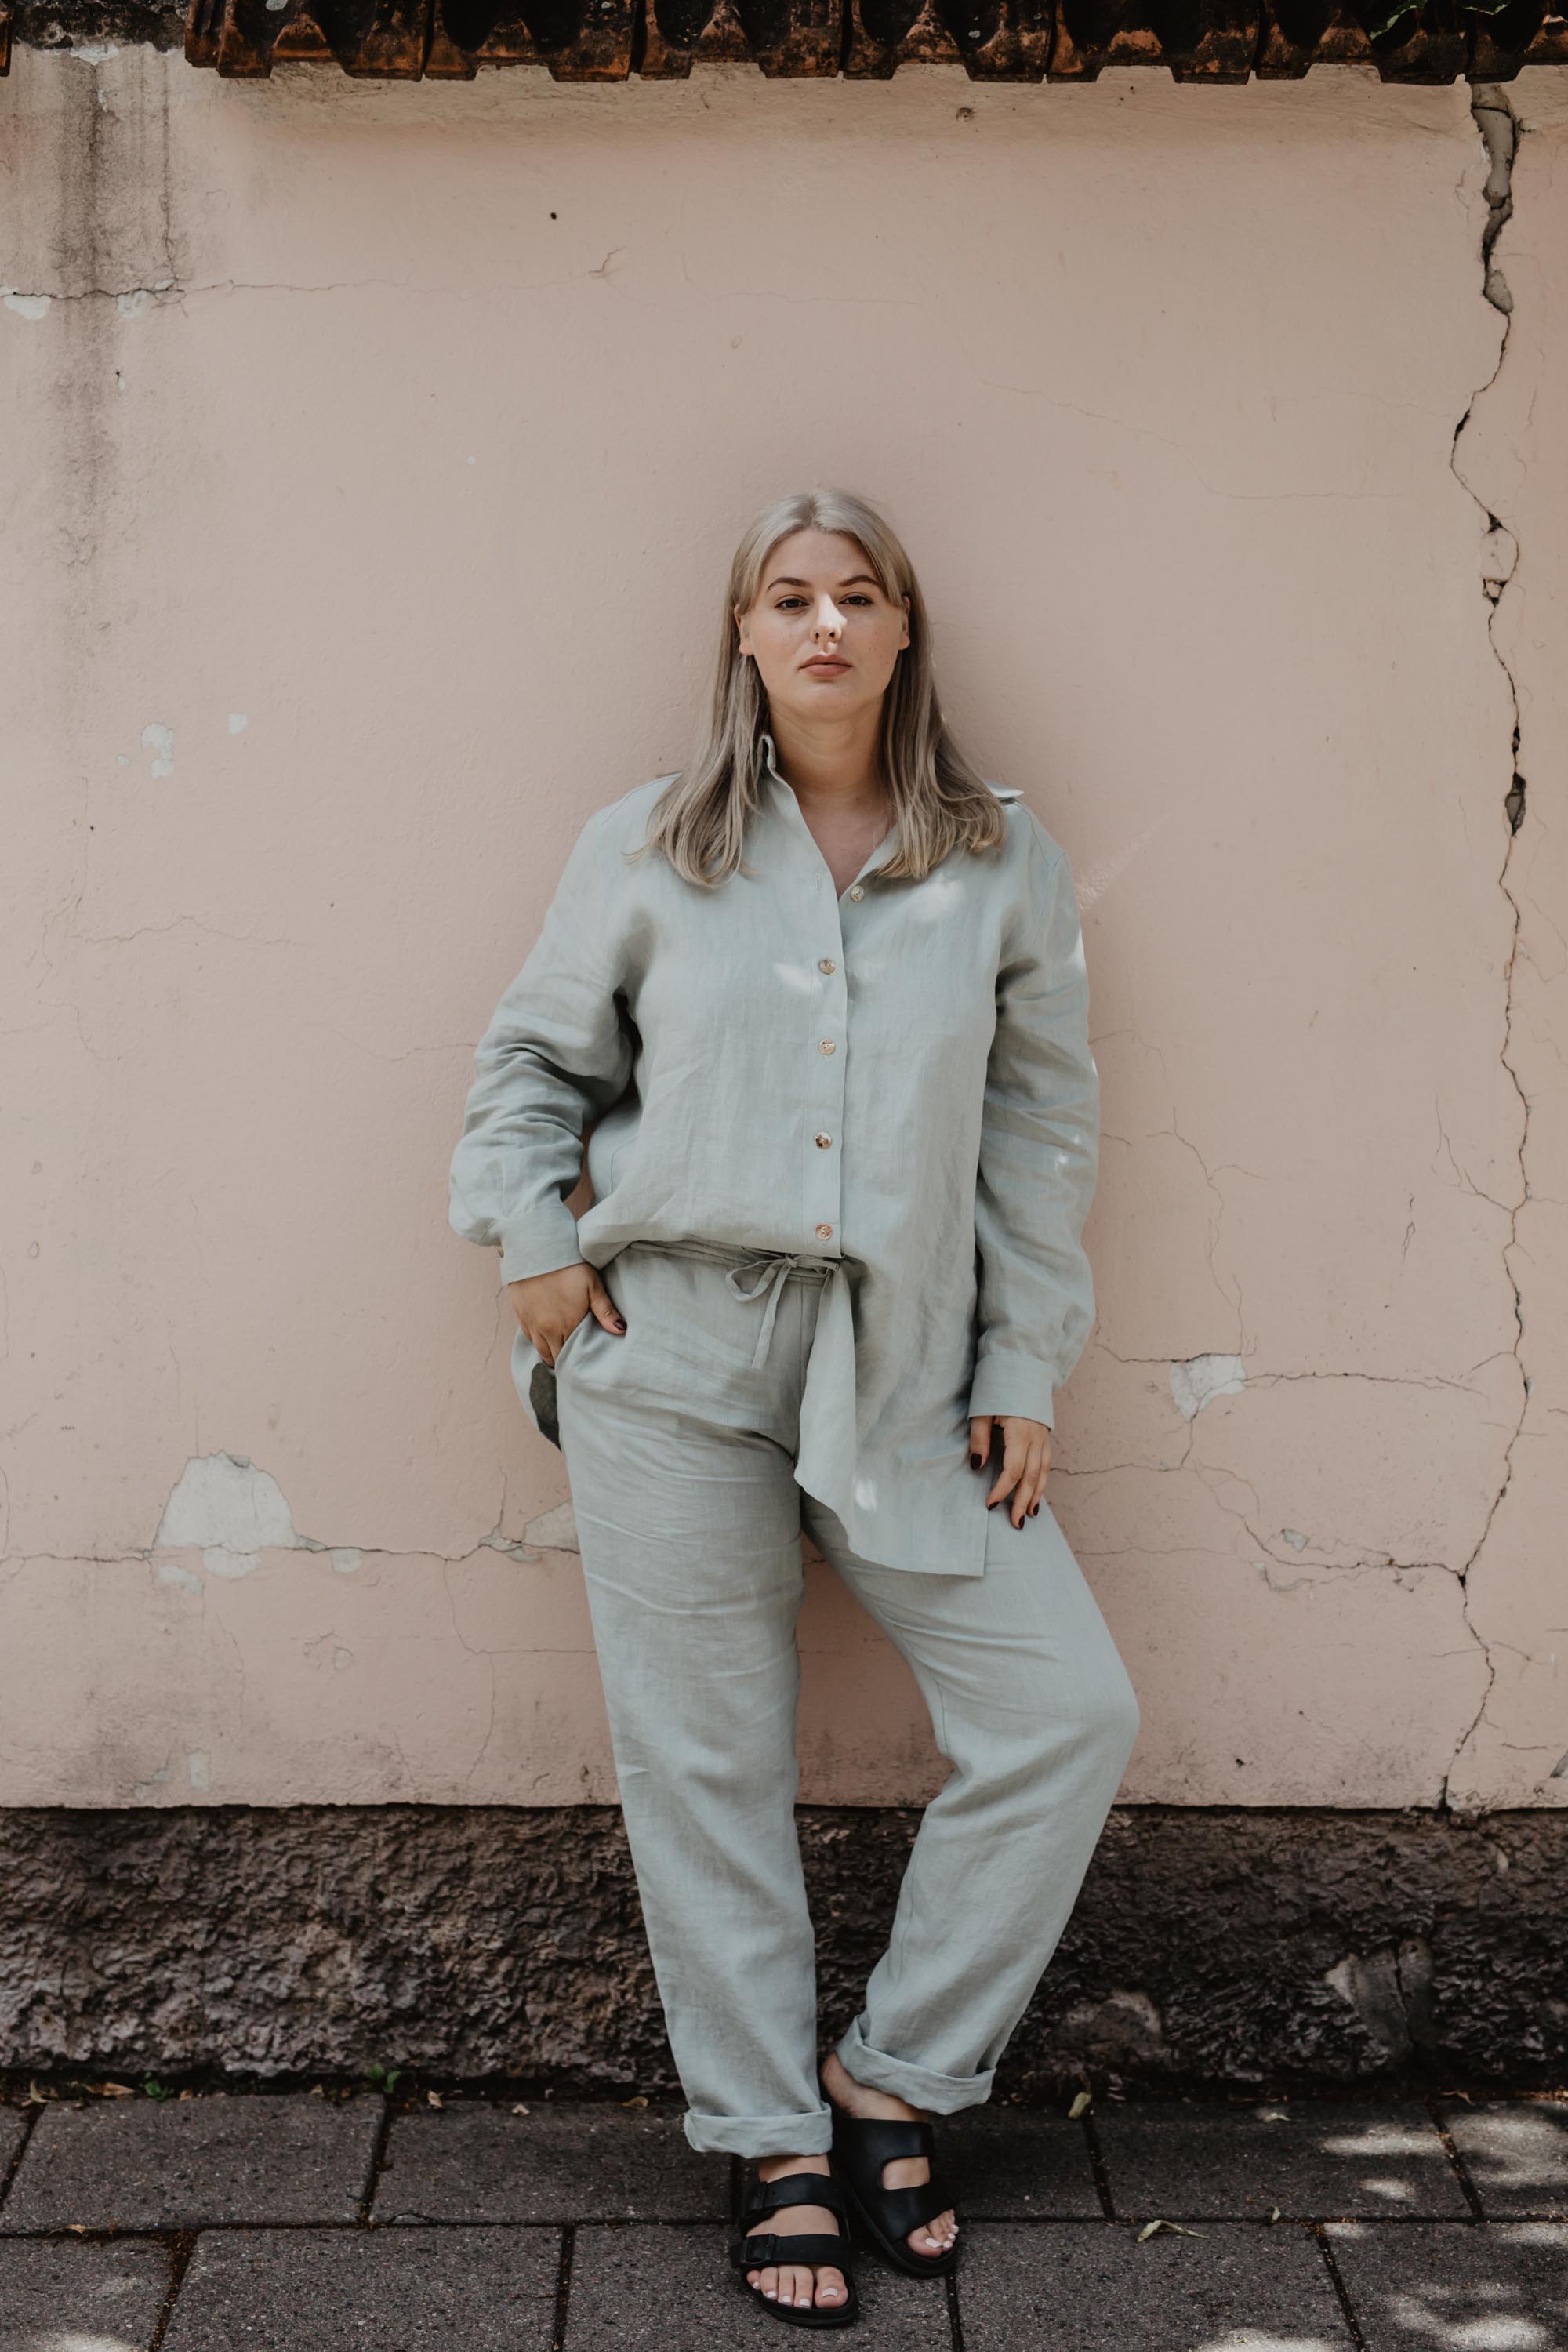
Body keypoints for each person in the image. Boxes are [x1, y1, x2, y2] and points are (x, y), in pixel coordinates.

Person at [448, 485, 1139, 2330]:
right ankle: (767, 2143)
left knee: (1068, 1712)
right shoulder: (655, 845)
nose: (822, 626)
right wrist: (531, 1250)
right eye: (786, 597)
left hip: (904, 1368)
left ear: (904, 631)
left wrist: (1019, 1365)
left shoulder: (999, 857)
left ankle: (890, 2079)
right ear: (743, 636)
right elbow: (529, 1061)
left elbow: (1035, 1136)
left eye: (856, 597)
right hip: (666, 1353)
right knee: (707, 1762)